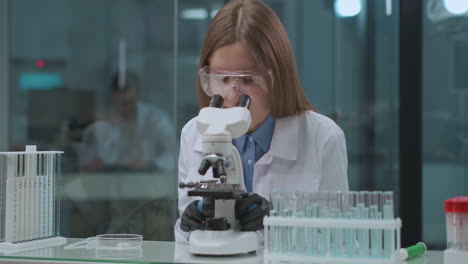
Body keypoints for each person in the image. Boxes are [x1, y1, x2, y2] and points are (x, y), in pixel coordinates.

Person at [175, 0, 348, 242]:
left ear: (276, 76)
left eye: (248, 79)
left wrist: (281, 223)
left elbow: (341, 241)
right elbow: (185, 239)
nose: (233, 96)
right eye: (222, 79)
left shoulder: (323, 137)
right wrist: (189, 223)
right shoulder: (193, 133)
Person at [78, 71, 174, 173]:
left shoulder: (156, 119)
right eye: (120, 103)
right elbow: (87, 157)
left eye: (128, 102)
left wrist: (151, 164)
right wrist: (93, 163)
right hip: (111, 181)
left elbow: (173, 155)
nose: (124, 108)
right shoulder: (103, 121)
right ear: (113, 97)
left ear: (138, 95)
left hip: (148, 181)